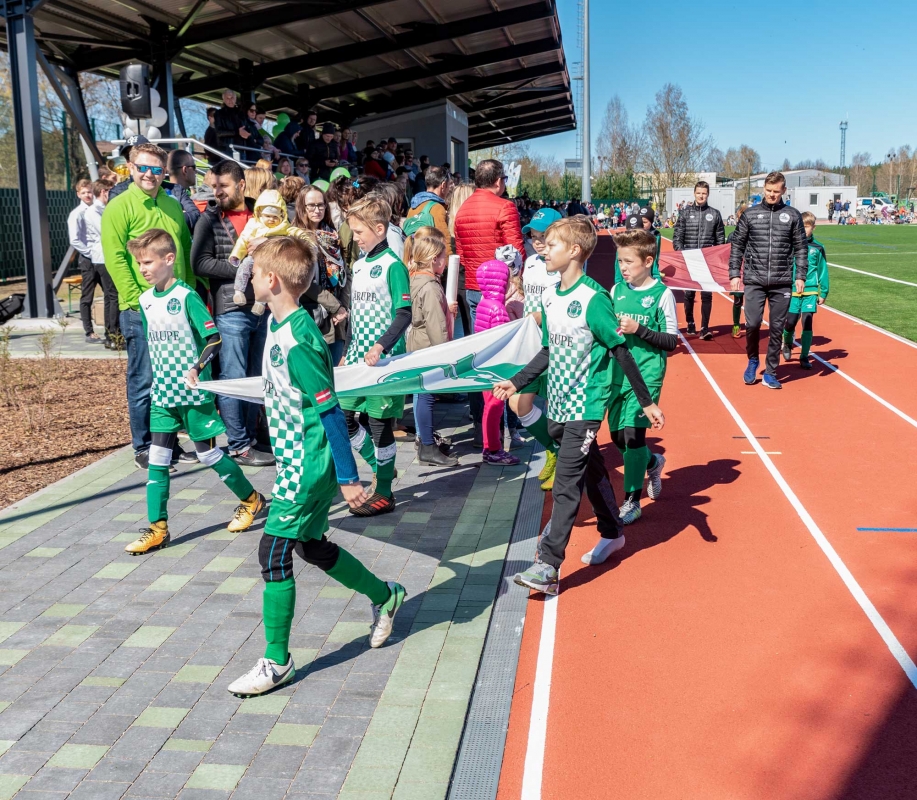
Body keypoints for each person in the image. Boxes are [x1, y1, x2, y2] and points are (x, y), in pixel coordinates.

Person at [226, 236, 407, 697]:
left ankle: (276, 660)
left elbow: (329, 410)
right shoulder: (280, 324)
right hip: (294, 458)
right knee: (311, 547)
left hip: (307, 464)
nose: (249, 278)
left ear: (271, 280)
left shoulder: (301, 338)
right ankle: (386, 596)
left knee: (272, 552)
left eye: (255, 272)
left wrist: (348, 479)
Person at [493, 217, 664, 594]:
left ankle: (548, 565)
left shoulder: (594, 299)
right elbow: (549, 350)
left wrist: (646, 402)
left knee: (566, 485)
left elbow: (621, 351)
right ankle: (613, 532)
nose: (544, 249)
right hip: (558, 402)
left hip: (586, 406)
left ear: (574, 251)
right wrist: (517, 381)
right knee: (592, 471)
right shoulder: (550, 295)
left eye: (551, 244)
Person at [121, 229, 265, 555]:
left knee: (209, 455)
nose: (142, 268)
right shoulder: (144, 302)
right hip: (163, 397)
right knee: (157, 461)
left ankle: (252, 499)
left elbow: (214, 339)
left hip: (193, 395)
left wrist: (196, 369)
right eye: (138, 263)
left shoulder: (187, 297)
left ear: (168, 260)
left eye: (148, 262)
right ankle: (158, 529)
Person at [102, 142, 194, 468]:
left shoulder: (171, 204)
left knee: (170, 380)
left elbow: (182, 251)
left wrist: (190, 294)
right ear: (130, 168)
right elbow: (115, 259)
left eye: (156, 169)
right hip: (140, 311)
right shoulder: (119, 206)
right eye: (142, 167)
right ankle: (143, 445)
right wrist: (135, 301)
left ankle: (166, 443)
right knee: (143, 380)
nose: (149, 174)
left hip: (175, 310)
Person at [191, 159, 275, 467]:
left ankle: (251, 437)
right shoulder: (208, 219)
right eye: (214, 186)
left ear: (240, 185)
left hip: (263, 306)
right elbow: (199, 263)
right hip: (230, 308)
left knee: (256, 376)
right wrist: (242, 265)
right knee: (233, 376)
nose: (217, 192)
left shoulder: (260, 213)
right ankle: (238, 445)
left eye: (223, 186)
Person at [340, 195, 412, 516]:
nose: (355, 238)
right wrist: (346, 351)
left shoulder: (394, 267)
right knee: (343, 419)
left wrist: (381, 344)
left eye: (359, 232)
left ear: (380, 229)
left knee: (381, 425)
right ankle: (380, 466)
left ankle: (384, 492)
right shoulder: (358, 264)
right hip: (356, 360)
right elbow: (357, 315)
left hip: (384, 361)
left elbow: (404, 313)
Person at [604, 229, 678, 527]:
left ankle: (632, 501)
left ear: (648, 261)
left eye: (629, 262)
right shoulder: (615, 291)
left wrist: (639, 330)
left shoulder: (662, 295)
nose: (623, 267)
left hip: (646, 376)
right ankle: (652, 462)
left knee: (634, 437)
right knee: (617, 437)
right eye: (620, 261)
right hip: (616, 374)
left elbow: (671, 341)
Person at [454, 159, 525, 444]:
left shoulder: (462, 209)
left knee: (478, 355)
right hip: (499, 289)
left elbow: (460, 249)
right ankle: (509, 424)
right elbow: (515, 250)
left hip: (473, 286)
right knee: (507, 358)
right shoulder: (504, 206)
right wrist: (516, 282)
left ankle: (481, 418)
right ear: (498, 181)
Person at [728, 171, 808, 389]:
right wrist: (735, 273)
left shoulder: (792, 215)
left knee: (776, 327)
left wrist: (800, 275)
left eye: (776, 191)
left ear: (784, 190)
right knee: (752, 324)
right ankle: (753, 360)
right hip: (754, 279)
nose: (772, 195)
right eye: (769, 191)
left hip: (782, 281)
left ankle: (771, 371)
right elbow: (737, 245)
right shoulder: (751, 215)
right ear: (763, 189)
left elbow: (801, 248)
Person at [508, 208, 562, 489]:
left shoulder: (562, 265)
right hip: (530, 346)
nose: (537, 241)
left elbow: (557, 308)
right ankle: (553, 449)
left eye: (544, 236)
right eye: (533, 235)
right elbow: (530, 298)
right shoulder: (530, 263)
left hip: (555, 348)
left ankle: (562, 461)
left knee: (555, 411)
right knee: (518, 402)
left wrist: (533, 318)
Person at [406, 227, 459, 467]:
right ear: (432, 259)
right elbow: (436, 326)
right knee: (426, 396)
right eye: (443, 257)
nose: (446, 262)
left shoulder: (418, 280)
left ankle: (425, 440)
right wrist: (445, 355)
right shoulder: (429, 287)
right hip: (428, 347)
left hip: (418, 343)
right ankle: (427, 446)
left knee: (421, 395)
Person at [229, 189, 312, 314]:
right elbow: (243, 239)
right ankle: (239, 291)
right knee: (245, 266)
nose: (271, 220)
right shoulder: (254, 224)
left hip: (272, 260)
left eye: (275, 217)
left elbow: (296, 233)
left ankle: (260, 303)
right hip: (254, 257)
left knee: (266, 279)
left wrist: (308, 242)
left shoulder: (284, 227)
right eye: (268, 216)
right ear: (260, 214)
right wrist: (236, 255)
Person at [293, 186, 350, 364]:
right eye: (311, 205)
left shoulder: (332, 234)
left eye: (321, 205)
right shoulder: (295, 237)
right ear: (302, 207)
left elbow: (344, 274)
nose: (317, 210)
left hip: (336, 317)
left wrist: (342, 309)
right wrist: (335, 306)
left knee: (337, 377)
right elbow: (302, 281)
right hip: (312, 315)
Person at [473, 259, 520, 466]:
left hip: (484, 363)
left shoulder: (483, 304)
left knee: (488, 407)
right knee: (495, 407)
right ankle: (493, 449)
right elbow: (503, 340)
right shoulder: (498, 309)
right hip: (497, 367)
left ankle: (488, 446)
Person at [673, 180, 725, 340]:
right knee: (689, 294)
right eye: (698, 193)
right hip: (689, 260)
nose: (701, 196)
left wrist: (715, 256)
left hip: (707, 262)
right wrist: (682, 253)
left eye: (704, 193)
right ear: (694, 194)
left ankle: (704, 327)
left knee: (707, 295)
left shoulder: (715, 214)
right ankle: (690, 322)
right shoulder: (685, 213)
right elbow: (677, 236)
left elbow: (720, 239)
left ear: (707, 194)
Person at [782, 211, 829, 370]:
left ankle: (804, 356)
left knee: (807, 322)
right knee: (790, 322)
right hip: (793, 290)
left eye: (807, 227)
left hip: (810, 291)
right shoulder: (790, 245)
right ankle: (787, 343)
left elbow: (822, 270)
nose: (804, 230)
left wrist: (824, 291)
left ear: (813, 228)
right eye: (801, 226)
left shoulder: (818, 248)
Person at [82, 179, 120, 348]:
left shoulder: (102, 209)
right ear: (104, 192)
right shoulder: (93, 211)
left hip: (105, 256)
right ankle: (113, 335)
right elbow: (107, 230)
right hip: (102, 257)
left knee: (110, 297)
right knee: (113, 297)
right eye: (111, 192)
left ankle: (110, 334)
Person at [68, 179, 101, 344]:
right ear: (78, 194)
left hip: (101, 257)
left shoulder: (98, 209)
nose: (87, 195)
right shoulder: (77, 214)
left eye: (89, 192)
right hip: (88, 258)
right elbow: (74, 239)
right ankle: (89, 331)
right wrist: (90, 253)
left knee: (112, 294)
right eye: (84, 193)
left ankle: (114, 329)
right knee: (87, 295)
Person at [405, 165, 451, 255]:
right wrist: (450, 265)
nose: (449, 189)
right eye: (449, 185)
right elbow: (444, 241)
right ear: (443, 185)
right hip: (429, 262)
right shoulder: (437, 208)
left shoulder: (413, 207)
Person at [165, 149, 202, 233]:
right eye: (194, 167)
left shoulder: (184, 193)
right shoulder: (165, 194)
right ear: (185, 170)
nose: (196, 171)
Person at [727, 204, 748, 337]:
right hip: (738, 271)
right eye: (741, 217)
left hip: (753, 270)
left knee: (754, 300)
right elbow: (725, 253)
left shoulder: (755, 234)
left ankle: (752, 323)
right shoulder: (732, 235)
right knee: (738, 300)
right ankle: (736, 324)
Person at [213, 89, 251, 159]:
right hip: (227, 150)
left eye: (232, 97)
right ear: (223, 99)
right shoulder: (219, 113)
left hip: (241, 149)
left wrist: (247, 133)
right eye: (227, 98)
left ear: (235, 98)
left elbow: (247, 127)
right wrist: (237, 132)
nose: (230, 100)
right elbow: (219, 132)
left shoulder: (241, 113)